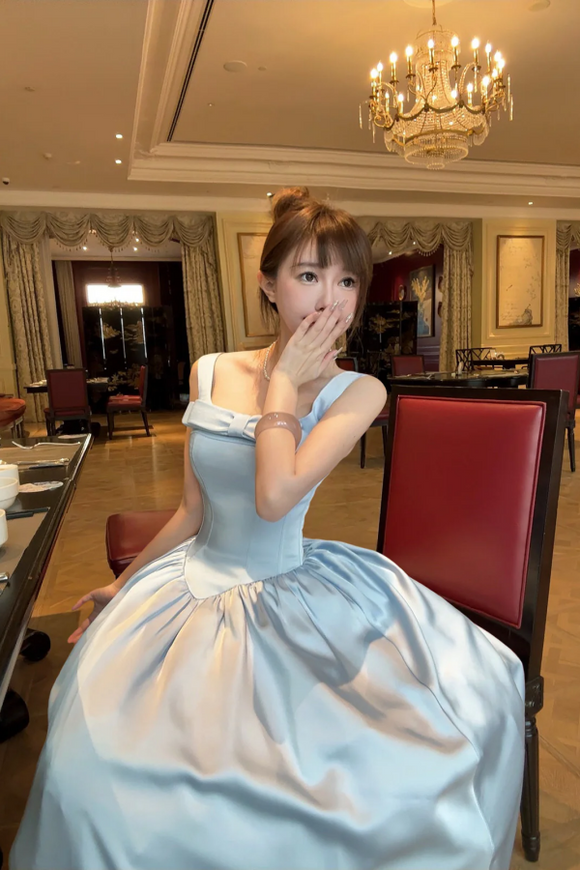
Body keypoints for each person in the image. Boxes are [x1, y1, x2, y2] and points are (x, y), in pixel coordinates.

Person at [11, 188, 524, 870]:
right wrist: (126, 585)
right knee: (95, 771)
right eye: (309, 275)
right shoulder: (210, 370)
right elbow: (193, 514)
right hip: (192, 586)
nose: (330, 299)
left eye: (347, 281)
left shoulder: (357, 391)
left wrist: (285, 385)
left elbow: (277, 496)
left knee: (356, 784)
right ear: (268, 284)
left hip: (288, 592)